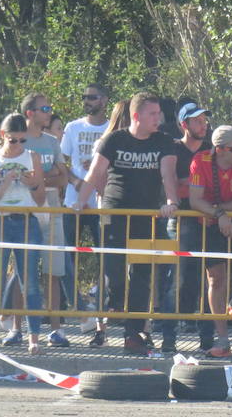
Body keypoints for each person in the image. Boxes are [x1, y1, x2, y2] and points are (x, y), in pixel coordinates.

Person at [74, 92, 179, 356]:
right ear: (136, 116)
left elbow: (168, 175)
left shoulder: (164, 141)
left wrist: (171, 202)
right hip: (115, 215)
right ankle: (114, 306)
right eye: (152, 114)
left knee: (143, 277)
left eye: (159, 114)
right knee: (114, 274)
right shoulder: (114, 139)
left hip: (148, 218)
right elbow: (94, 173)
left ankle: (134, 335)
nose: (158, 119)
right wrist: (79, 203)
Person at [189, 125, 232, 358]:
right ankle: (223, 338)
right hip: (209, 221)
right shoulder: (200, 161)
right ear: (219, 150)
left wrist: (220, 211)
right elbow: (195, 200)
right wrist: (219, 216)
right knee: (215, 278)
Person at [0, 113, 45, 354]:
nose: (18, 145)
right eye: (13, 140)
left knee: (31, 283)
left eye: (22, 140)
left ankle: (34, 338)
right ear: (2, 136)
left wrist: (33, 184)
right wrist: (5, 183)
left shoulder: (33, 157)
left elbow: (40, 201)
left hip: (27, 222)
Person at [60, 84, 110, 343]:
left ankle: (101, 321)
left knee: (106, 261)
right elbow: (63, 164)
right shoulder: (72, 127)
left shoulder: (112, 129)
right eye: (85, 97)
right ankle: (80, 311)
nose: (87, 101)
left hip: (101, 203)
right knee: (66, 259)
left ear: (104, 100)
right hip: (74, 202)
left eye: (92, 97)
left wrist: (100, 171)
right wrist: (78, 182)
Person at [162, 101, 212, 353]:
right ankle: (169, 337)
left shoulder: (211, 150)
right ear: (184, 124)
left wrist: (192, 184)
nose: (203, 125)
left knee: (211, 280)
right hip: (181, 219)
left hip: (208, 218)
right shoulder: (172, 148)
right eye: (197, 121)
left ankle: (207, 339)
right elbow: (169, 180)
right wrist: (194, 184)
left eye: (204, 120)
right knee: (177, 279)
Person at [20, 92, 69, 347]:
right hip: (24, 207)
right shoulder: (18, 139)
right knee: (22, 270)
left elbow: (63, 178)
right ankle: (16, 328)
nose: (49, 111)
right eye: (45, 108)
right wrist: (44, 175)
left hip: (52, 207)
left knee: (54, 269)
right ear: (30, 113)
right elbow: (17, 177)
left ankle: (57, 329)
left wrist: (38, 177)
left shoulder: (51, 142)